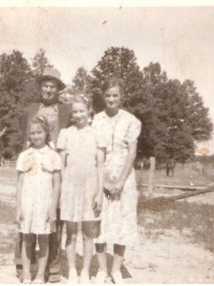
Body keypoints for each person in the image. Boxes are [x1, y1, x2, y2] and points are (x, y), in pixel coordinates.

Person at [15, 67, 72, 283]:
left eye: (53, 86)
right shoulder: (31, 109)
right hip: (32, 166)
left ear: (58, 89)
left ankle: (52, 267)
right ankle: (23, 266)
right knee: (26, 216)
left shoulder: (65, 111)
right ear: (41, 88)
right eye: (45, 85)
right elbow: (24, 137)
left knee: (53, 217)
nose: (48, 89)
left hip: (56, 166)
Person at [92, 79, 142, 284]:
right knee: (99, 222)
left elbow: (132, 153)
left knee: (123, 223)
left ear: (121, 97)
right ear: (103, 97)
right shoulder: (95, 120)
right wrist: (101, 182)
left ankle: (116, 270)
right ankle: (102, 269)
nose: (111, 99)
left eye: (115, 95)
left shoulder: (131, 121)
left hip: (125, 179)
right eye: (108, 95)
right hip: (100, 178)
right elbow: (95, 153)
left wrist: (121, 181)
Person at [56, 94, 105, 284]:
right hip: (70, 186)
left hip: (90, 187)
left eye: (81, 111)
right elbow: (61, 166)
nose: (78, 115)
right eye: (75, 111)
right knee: (71, 232)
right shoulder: (66, 134)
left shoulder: (96, 134)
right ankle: (72, 271)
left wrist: (99, 193)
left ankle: (85, 270)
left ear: (89, 111)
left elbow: (100, 166)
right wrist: (60, 191)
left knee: (88, 231)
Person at [15, 116, 62, 283]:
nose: (36, 136)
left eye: (39, 132)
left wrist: (53, 209)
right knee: (27, 239)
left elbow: (57, 185)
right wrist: (18, 208)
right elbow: (20, 184)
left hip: (45, 204)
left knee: (43, 239)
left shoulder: (53, 156)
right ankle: (27, 274)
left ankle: (41, 275)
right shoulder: (24, 155)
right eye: (33, 133)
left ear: (46, 133)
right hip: (28, 203)